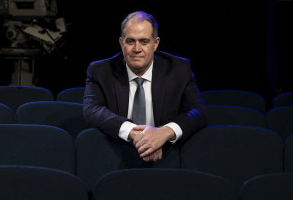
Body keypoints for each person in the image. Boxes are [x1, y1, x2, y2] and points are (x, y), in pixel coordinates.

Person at [83, 11, 207, 167]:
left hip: (166, 157)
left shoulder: (179, 69)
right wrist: (137, 134)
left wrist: (164, 133)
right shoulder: (100, 71)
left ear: (155, 43)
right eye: (130, 41)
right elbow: (92, 110)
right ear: (121, 44)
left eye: (144, 41)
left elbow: (198, 111)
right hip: (116, 156)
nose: (137, 48)